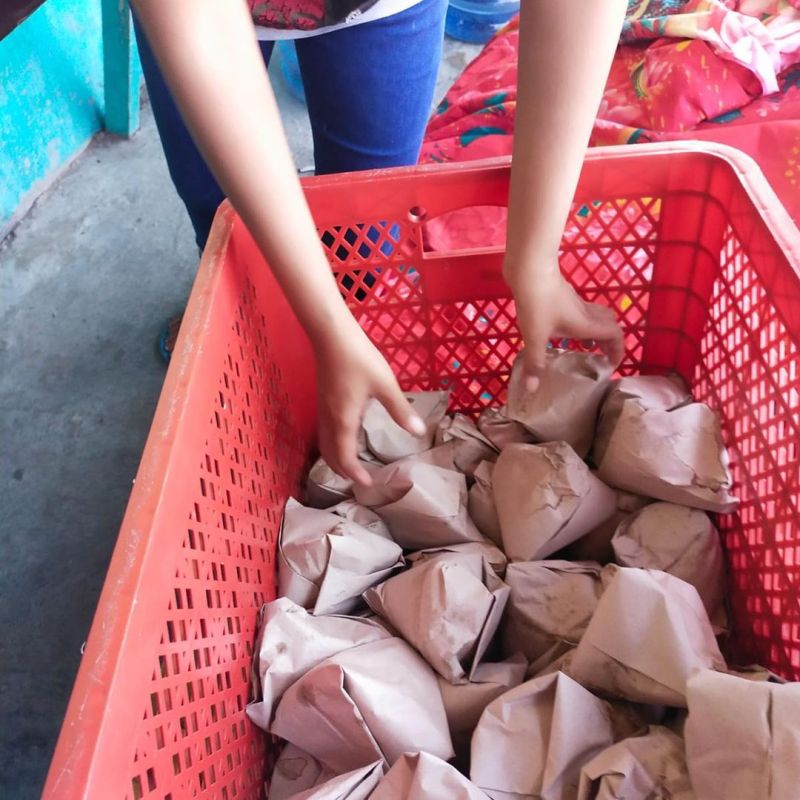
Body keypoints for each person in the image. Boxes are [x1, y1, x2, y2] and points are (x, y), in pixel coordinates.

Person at [132, 0, 626, 485]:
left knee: (368, 234)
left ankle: (342, 343)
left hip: (381, 11)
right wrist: (328, 328)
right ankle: (250, 330)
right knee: (222, 213)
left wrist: (536, 260)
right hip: (197, 19)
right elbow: (203, 32)